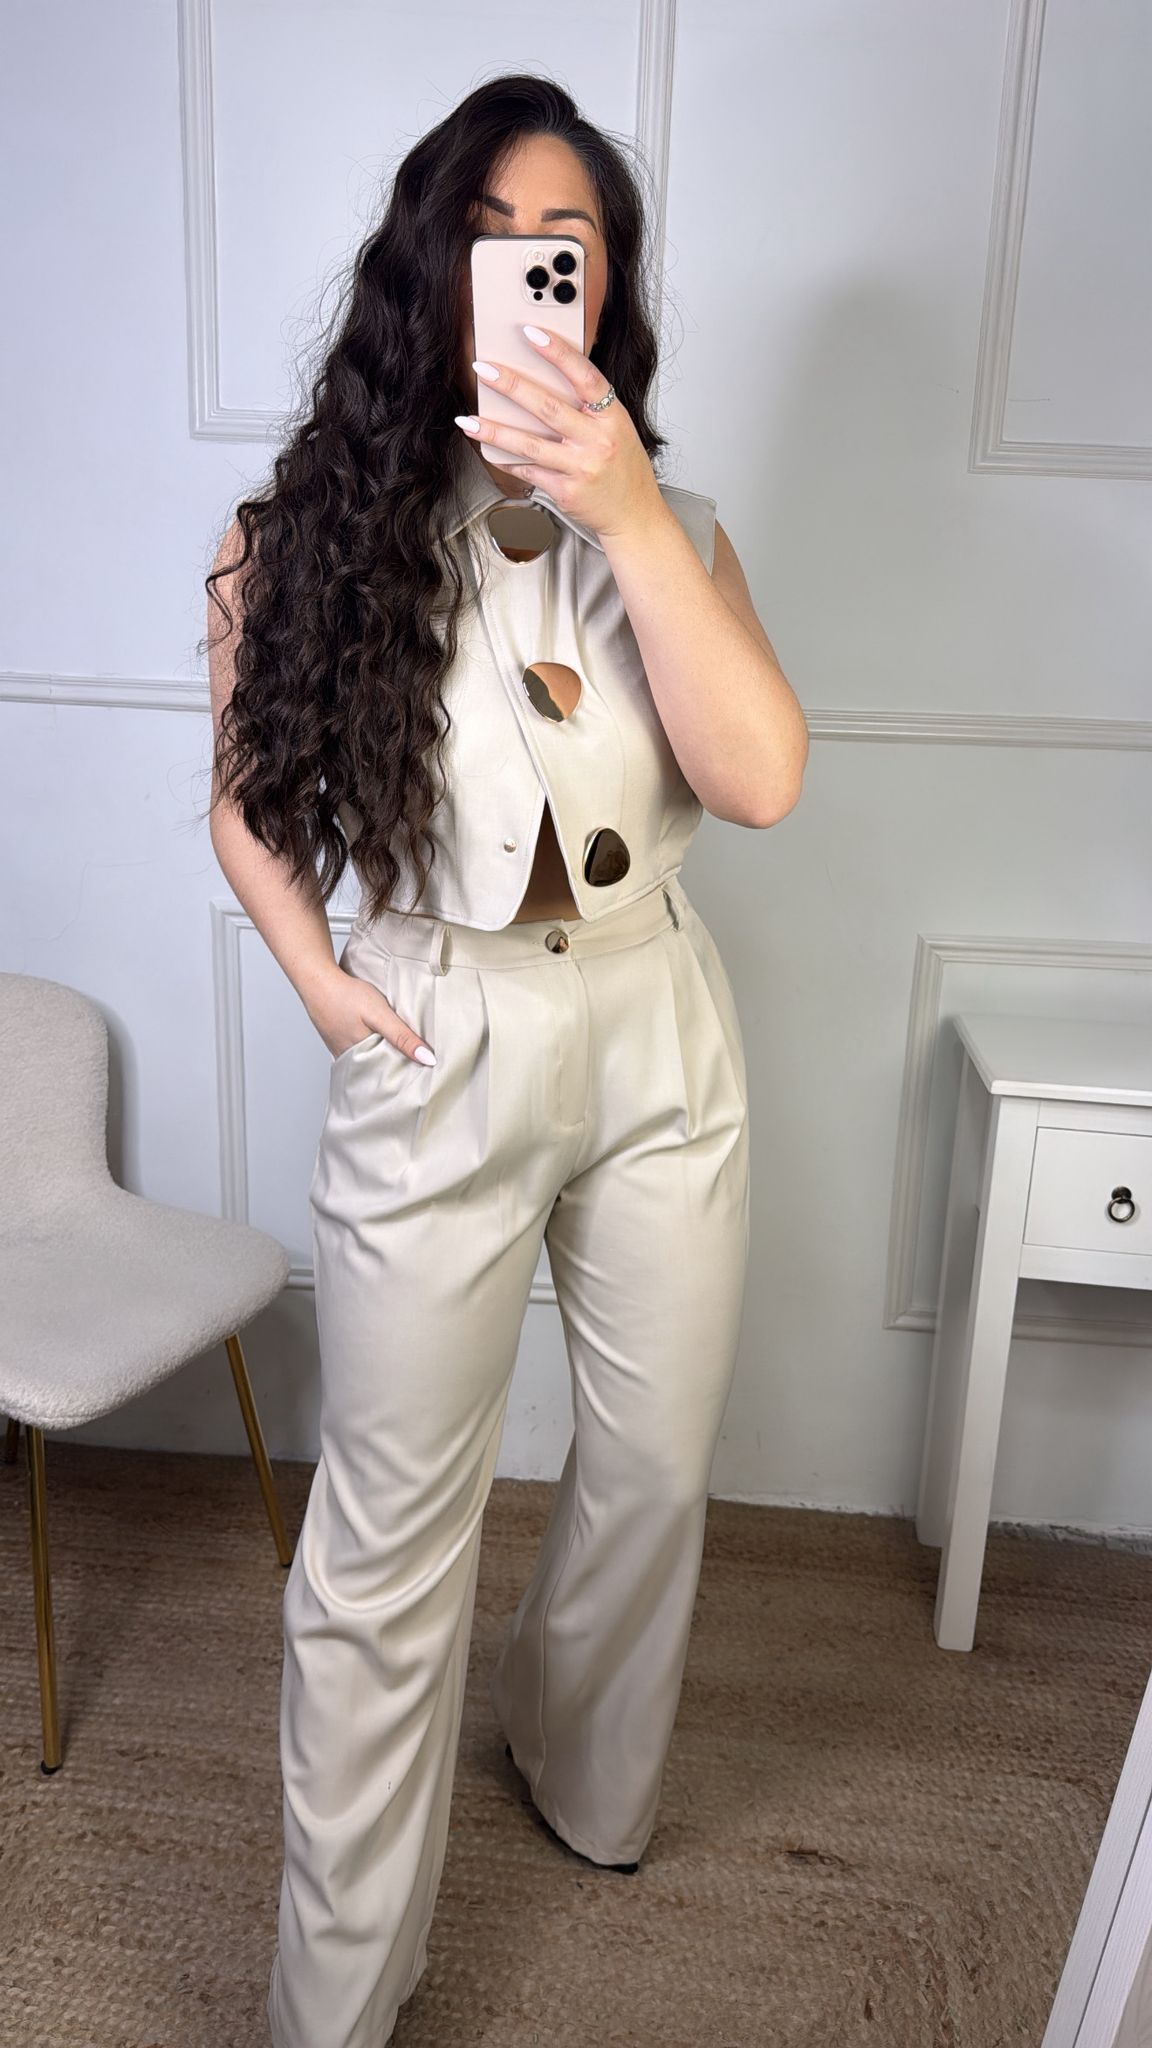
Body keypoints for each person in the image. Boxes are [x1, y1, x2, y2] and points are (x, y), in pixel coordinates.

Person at [203, 73, 807, 2048]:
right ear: (428, 270)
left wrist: (625, 510)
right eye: (490, 240)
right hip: (437, 1029)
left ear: (609, 287)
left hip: (656, 1021)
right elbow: (245, 806)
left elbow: (761, 780)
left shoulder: (676, 532)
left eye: (570, 243)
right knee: (388, 1540)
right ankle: (336, 2000)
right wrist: (322, 981)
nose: (534, 272)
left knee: (649, 1463)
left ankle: (582, 1770)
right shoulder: (306, 537)